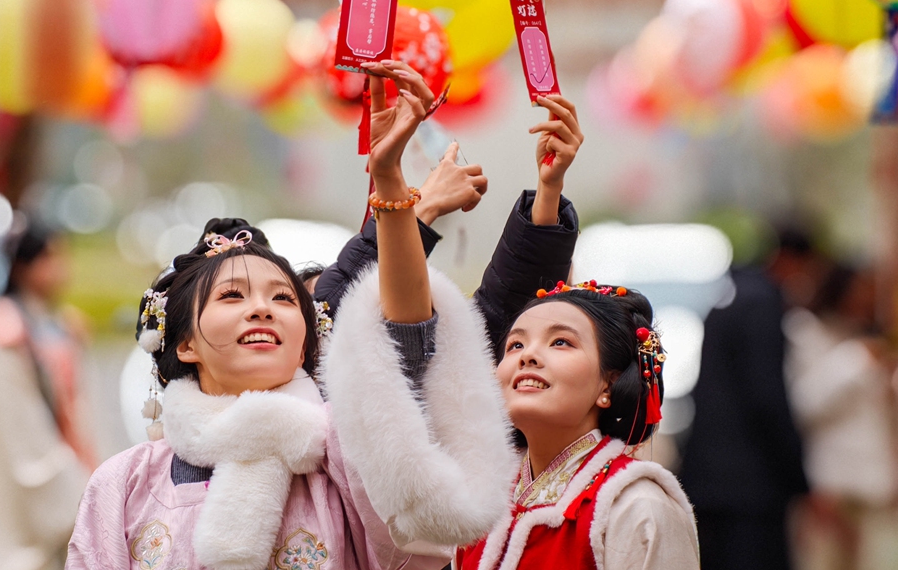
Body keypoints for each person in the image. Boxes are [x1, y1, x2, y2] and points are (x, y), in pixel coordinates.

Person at [66, 60, 515, 569]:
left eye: (283, 298)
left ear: (306, 340)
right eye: (232, 297)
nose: (263, 307)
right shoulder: (123, 483)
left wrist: (390, 182)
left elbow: (403, 332)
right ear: (184, 342)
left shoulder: (346, 457)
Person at [457, 281, 699, 569]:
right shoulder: (482, 501)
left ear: (609, 383)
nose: (527, 355)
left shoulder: (637, 505)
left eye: (561, 342)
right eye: (516, 344)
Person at [315, 93, 584, 352]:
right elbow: (335, 313)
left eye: (282, 298)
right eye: (294, 298)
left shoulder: (454, 369)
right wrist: (419, 204)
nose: (270, 312)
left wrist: (549, 188)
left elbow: (505, 317)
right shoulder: (334, 364)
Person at [0, 226, 94, 570]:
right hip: (19, 471)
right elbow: (20, 429)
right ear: (22, 266)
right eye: (49, 257)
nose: (61, 267)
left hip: (63, 454)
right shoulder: (1, 331)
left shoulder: (54, 323)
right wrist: (77, 485)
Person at [678, 232, 812, 570]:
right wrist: (797, 474)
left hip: (708, 475)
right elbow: (767, 395)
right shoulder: (762, 302)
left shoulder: (729, 294)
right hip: (752, 485)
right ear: (791, 260)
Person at [786, 265, 898, 570]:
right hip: (827, 486)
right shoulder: (806, 332)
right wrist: (855, 361)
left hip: (869, 485)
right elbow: (804, 404)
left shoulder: (873, 339)